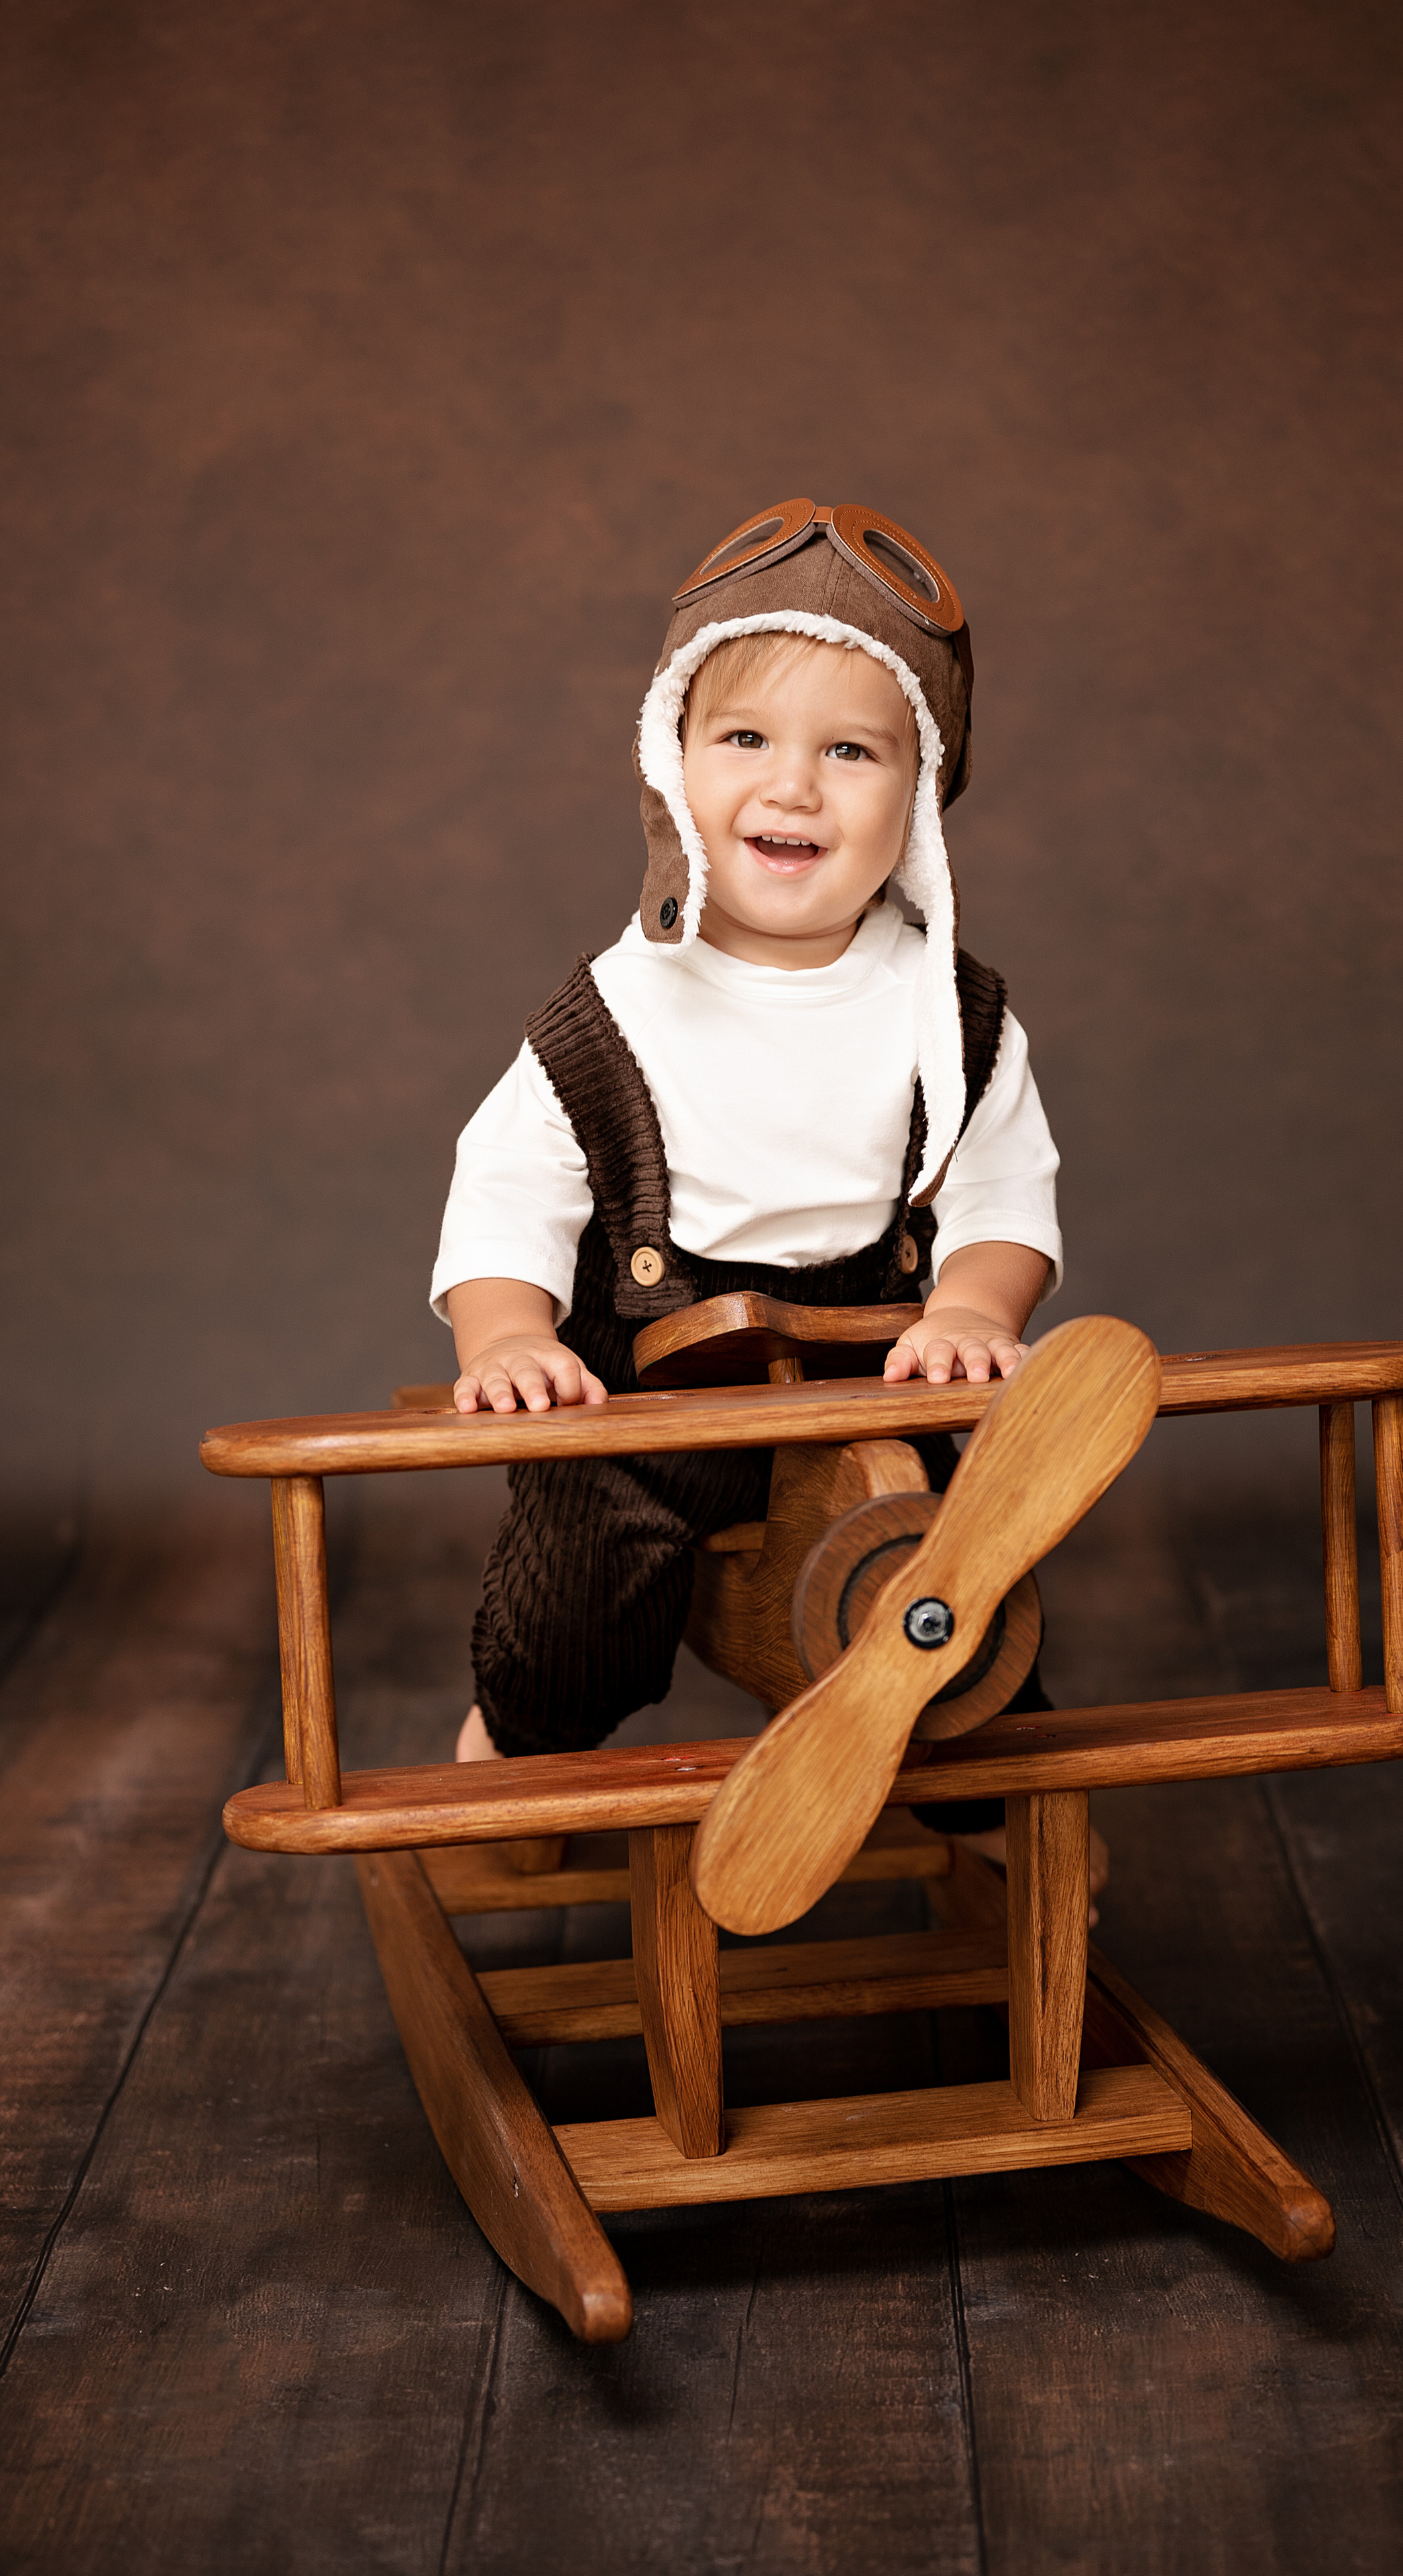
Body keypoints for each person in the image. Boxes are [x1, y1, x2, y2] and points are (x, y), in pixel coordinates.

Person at [429, 498, 1105, 1904]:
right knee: (581, 1557)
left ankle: (984, 1774)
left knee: (957, 1566)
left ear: (915, 797)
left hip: (879, 1369)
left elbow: (1001, 1196)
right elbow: (506, 1194)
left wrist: (973, 1306)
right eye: (742, 739)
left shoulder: (951, 1014)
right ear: (669, 763)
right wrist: (504, 1335)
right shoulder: (611, 1008)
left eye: (848, 752)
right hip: (661, 1390)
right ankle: (524, 1728)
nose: (791, 788)